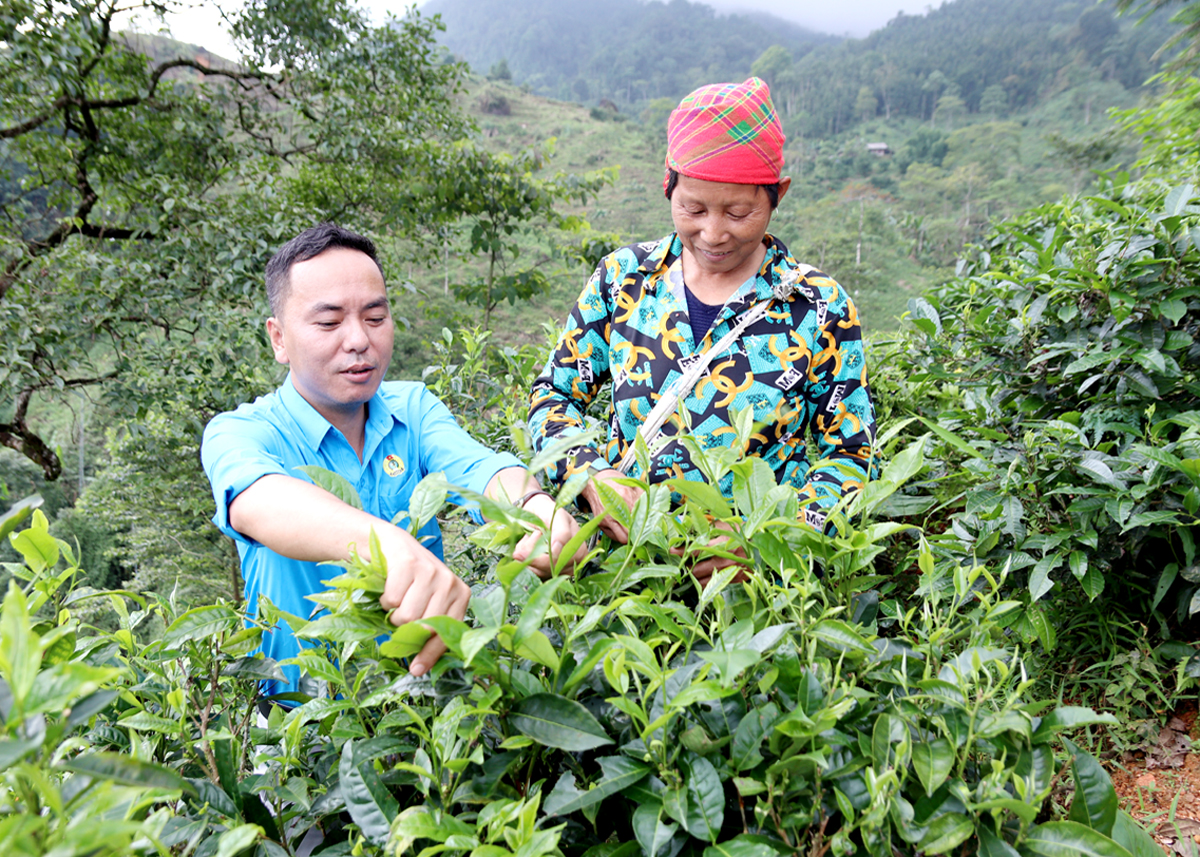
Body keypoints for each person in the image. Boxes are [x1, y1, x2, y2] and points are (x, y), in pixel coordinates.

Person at [202, 223, 580, 699]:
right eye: (329, 322)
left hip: (425, 708)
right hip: (303, 728)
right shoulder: (242, 432)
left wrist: (535, 508)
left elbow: (482, 469)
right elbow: (258, 500)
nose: (358, 340)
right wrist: (389, 545)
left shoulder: (414, 409)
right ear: (278, 339)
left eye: (375, 317)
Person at [528, 77, 877, 583]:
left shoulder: (819, 307)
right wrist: (591, 477)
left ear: (777, 195)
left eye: (739, 212)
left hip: (761, 598)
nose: (713, 233)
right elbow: (552, 396)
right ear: (667, 184)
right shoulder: (624, 280)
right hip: (626, 581)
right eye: (692, 209)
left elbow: (849, 452)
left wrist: (767, 539)